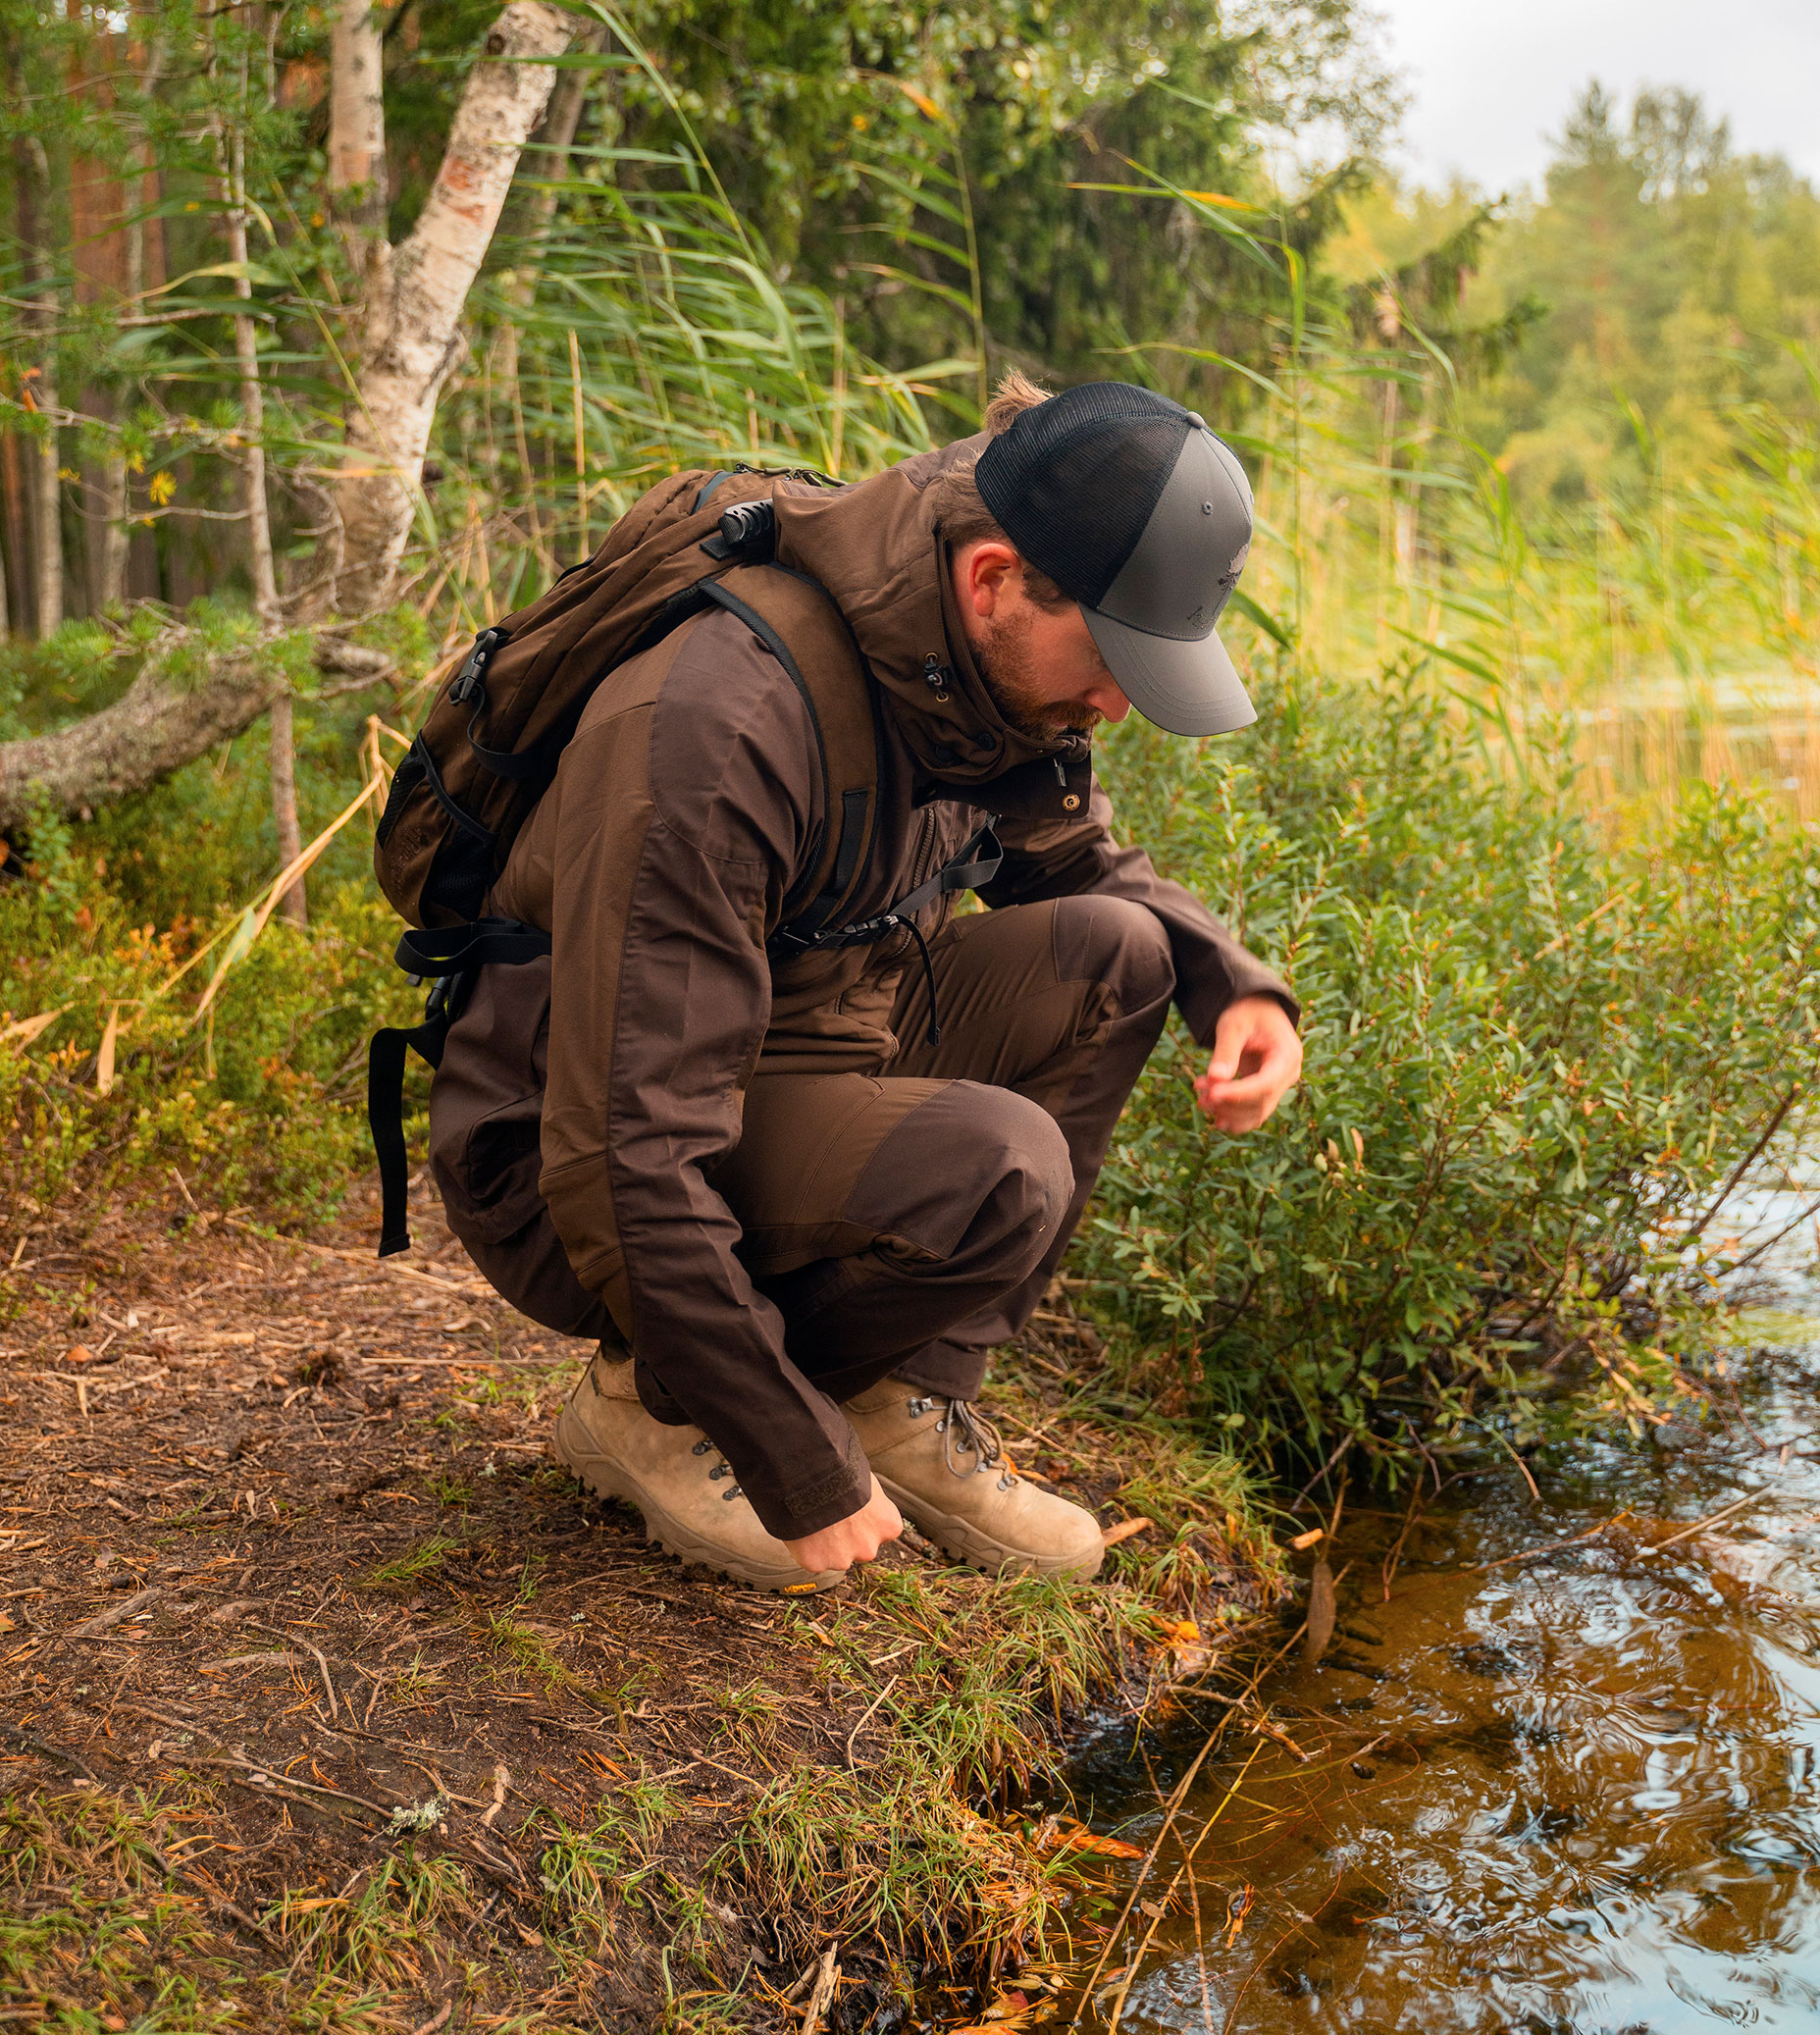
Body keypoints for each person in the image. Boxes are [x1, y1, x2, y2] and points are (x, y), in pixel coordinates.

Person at [428, 376, 1302, 1593]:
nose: (1116, 706)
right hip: (562, 1146)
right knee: (1003, 1167)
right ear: (995, 578)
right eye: (1111, 659)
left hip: (807, 1026)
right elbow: (622, 1148)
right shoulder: (718, 720)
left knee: (1125, 955)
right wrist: (789, 1454)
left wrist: (1236, 987)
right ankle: (659, 1407)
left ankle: (897, 1401)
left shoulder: (968, 643)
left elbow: (1074, 853)